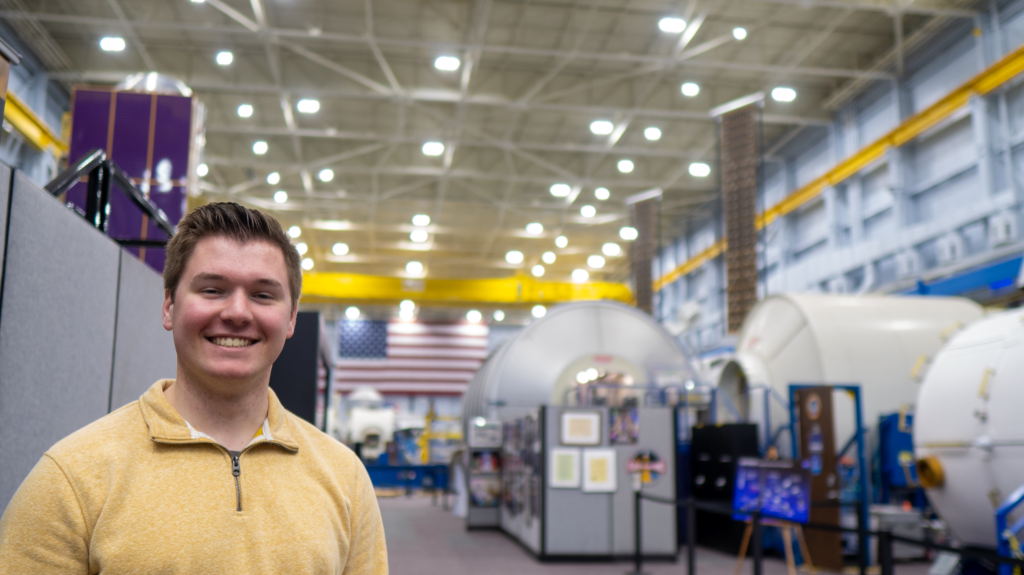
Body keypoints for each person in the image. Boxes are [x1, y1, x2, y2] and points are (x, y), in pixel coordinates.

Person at [0, 202, 388, 574]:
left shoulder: (345, 478)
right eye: (212, 290)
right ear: (169, 305)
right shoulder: (72, 476)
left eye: (262, 295)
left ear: (290, 319)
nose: (237, 312)